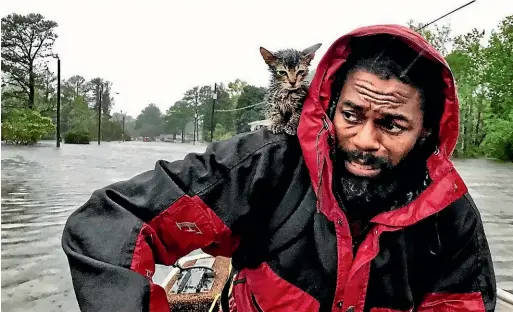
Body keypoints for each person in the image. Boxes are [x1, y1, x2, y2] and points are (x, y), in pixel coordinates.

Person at [62, 24, 497, 312]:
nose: (365, 140)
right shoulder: (267, 167)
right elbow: (112, 224)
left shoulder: (449, 216)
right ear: (330, 106)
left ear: (426, 133)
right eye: (351, 115)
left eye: (392, 124)